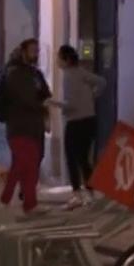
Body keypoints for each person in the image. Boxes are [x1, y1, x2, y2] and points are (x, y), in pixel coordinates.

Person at [0, 38, 51, 214]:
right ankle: (29, 204)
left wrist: (46, 115)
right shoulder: (14, 73)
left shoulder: (35, 73)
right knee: (26, 165)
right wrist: (40, 105)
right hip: (19, 127)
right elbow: (26, 98)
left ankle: (6, 199)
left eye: (37, 51)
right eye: (32, 51)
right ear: (23, 52)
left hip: (35, 126)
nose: (35, 54)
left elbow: (45, 93)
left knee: (24, 165)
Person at [53, 45, 106, 209]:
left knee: (71, 157)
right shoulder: (82, 72)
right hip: (90, 120)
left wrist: (52, 102)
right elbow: (102, 81)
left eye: (59, 57)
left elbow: (71, 105)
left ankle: (76, 194)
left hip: (75, 121)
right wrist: (93, 96)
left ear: (66, 60)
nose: (57, 61)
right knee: (84, 158)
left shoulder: (68, 76)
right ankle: (90, 193)